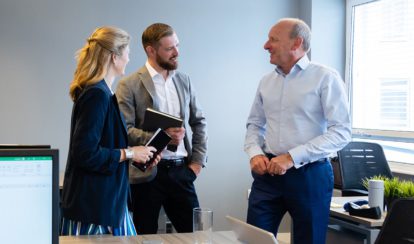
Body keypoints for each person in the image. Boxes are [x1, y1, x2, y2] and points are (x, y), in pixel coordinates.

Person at [244, 18, 351, 244]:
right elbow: (254, 124)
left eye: (273, 39)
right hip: (268, 176)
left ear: (296, 43)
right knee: (254, 239)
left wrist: (292, 157)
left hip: (310, 175)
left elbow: (341, 132)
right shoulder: (266, 81)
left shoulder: (325, 77)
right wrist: (254, 153)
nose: (266, 45)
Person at [60, 26, 160, 236]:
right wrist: (130, 153)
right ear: (115, 57)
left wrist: (137, 155)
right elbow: (85, 153)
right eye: (127, 54)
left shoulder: (101, 93)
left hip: (104, 204)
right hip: (95, 209)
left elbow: (104, 146)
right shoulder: (97, 95)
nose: (129, 59)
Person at [116, 23, 208, 234]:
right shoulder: (128, 85)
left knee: (197, 236)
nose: (176, 52)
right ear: (150, 50)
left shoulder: (184, 80)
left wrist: (197, 164)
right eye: (169, 49)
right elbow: (125, 131)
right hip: (146, 176)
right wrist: (162, 137)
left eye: (177, 46)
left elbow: (200, 122)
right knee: (143, 236)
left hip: (181, 172)